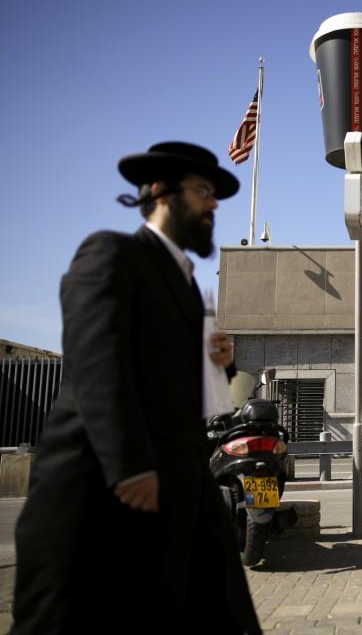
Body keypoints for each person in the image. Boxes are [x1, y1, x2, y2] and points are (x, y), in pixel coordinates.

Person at [13, 142, 261, 634]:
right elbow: (95, 361)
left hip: (183, 485)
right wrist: (129, 467)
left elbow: (181, 387)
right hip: (102, 490)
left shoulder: (189, 285)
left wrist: (222, 367)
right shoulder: (112, 253)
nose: (214, 204)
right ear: (159, 191)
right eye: (203, 191)